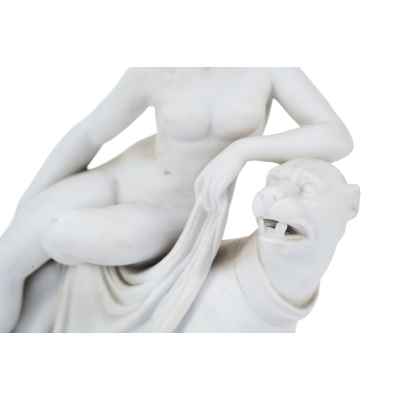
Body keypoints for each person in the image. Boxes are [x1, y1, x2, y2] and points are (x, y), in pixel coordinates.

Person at [0, 68, 353, 332]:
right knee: (6, 261)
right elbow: (90, 134)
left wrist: (243, 150)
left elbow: (336, 137)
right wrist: (29, 201)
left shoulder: (268, 67)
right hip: (116, 179)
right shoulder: (156, 67)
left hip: (170, 214)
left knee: (58, 236)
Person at [15, 159, 359, 332]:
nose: (272, 195)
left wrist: (244, 150)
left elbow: (333, 135)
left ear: (351, 204)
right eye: (273, 184)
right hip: (142, 220)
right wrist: (27, 209)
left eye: (306, 189)